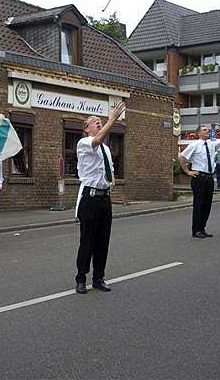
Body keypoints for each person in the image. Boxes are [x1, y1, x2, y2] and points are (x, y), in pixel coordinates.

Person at [74, 101, 125, 294]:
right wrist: (111, 120)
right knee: (87, 240)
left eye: (100, 121)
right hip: (90, 197)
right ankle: (81, 278)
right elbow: (96, 140)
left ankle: (98, 277)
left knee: (103, 240)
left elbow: (108, 170)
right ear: (86, 128)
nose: (98, 123)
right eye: (94, 122)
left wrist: (112, 181)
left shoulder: (105, 149)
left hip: (104, 198)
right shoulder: (84, 142)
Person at [178, 125, 220, 238]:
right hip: (199, 178)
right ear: (199, 133)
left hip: (209, 178)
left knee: (207, 205)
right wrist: (188, 172)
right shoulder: (194, 145)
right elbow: (182, 157)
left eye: (208, 129)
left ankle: (202, 228)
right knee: (199, 204)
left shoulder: (212, 144)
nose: (207, 131)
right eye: (204, 130)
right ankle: (196, 230)